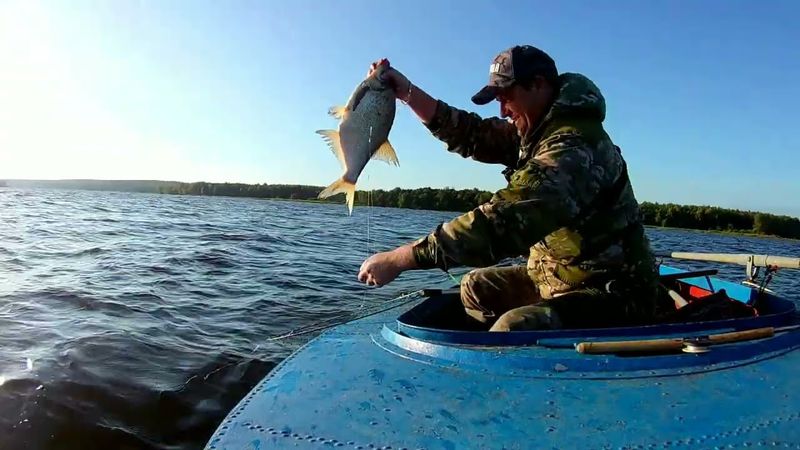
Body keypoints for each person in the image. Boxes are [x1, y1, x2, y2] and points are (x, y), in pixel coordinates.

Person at [357, 45, 659, 332]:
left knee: (514, 327)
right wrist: (407, 92)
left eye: (506, 97)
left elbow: (500, 224)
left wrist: (399, 259)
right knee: (474, 287)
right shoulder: (534, 130)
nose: (502, 111)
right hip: (552, 278)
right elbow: (471, 133)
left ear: (538, 85)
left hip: (613, 293)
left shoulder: (572, 149)